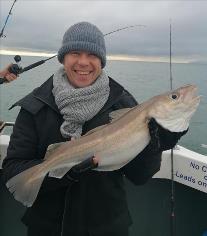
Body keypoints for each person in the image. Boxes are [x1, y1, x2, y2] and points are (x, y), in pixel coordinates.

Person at [2, 22, 187, 236]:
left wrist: (156, 145)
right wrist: (63, 172)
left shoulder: (123, 104)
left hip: (107, 227)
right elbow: (13, 169)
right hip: (47, 227)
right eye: (75, 53)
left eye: (92, 55)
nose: (83, 62)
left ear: (101, 60)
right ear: (63, 58)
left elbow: (140, 176)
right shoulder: (35, 104)